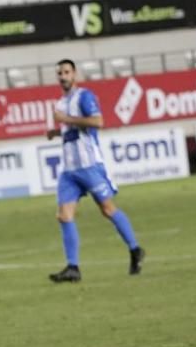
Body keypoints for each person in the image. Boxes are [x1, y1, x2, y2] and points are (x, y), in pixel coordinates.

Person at [45, 59, 144, 282]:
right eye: (59, 72)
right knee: (63, 215)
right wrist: (56, 132)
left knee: (108, 210)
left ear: (75, 74)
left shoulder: (84, 97)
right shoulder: (62, 102)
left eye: (66, 72)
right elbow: (73, 130)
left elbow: (98, 122)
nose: (62, 76)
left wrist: (66, 120)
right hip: (70, 170)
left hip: (90, 166)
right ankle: (73, 268)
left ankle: (135, 249)